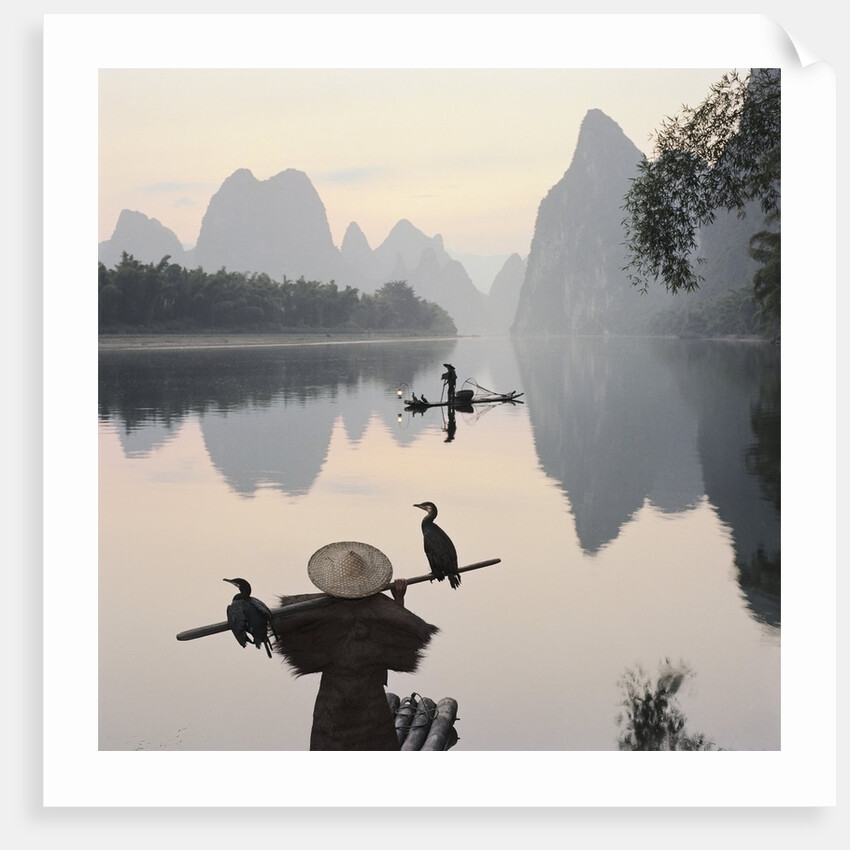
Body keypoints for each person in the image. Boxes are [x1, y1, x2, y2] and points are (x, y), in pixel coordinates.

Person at [271, 541, 439, 751]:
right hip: (370, 700)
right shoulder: (379, 610)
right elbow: (400, 638)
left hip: (333, 701)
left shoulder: (321, 613)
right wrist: (398, 601)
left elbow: (292, 636)